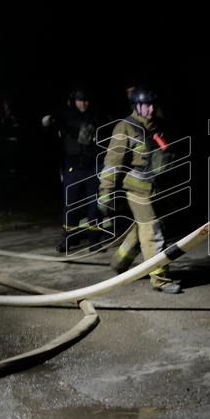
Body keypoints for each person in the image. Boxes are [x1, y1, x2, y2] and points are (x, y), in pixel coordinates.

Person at [98, 86, 182, 294]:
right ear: (137, 106)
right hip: (137, 192)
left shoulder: (158, 127)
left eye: (153, 105)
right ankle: (161, 279)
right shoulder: (125, 128)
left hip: (157, 190)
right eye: (146, 105)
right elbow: (112, 163)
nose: (150, 109)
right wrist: (105, 193)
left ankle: (119, 263)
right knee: (152, 232)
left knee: (140, 232)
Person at [42, 87, 105, 252]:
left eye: (85, 100)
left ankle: (95, 240)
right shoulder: (65, 116)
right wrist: (49, 120)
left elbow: (101, 130)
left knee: (94, 204)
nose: (83, 103)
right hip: (72, 168)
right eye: (79, 100)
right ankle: (69, 240)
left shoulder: (96, 115)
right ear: (73, 101)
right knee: (71, 205)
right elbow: (52, 122)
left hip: (92, 167)